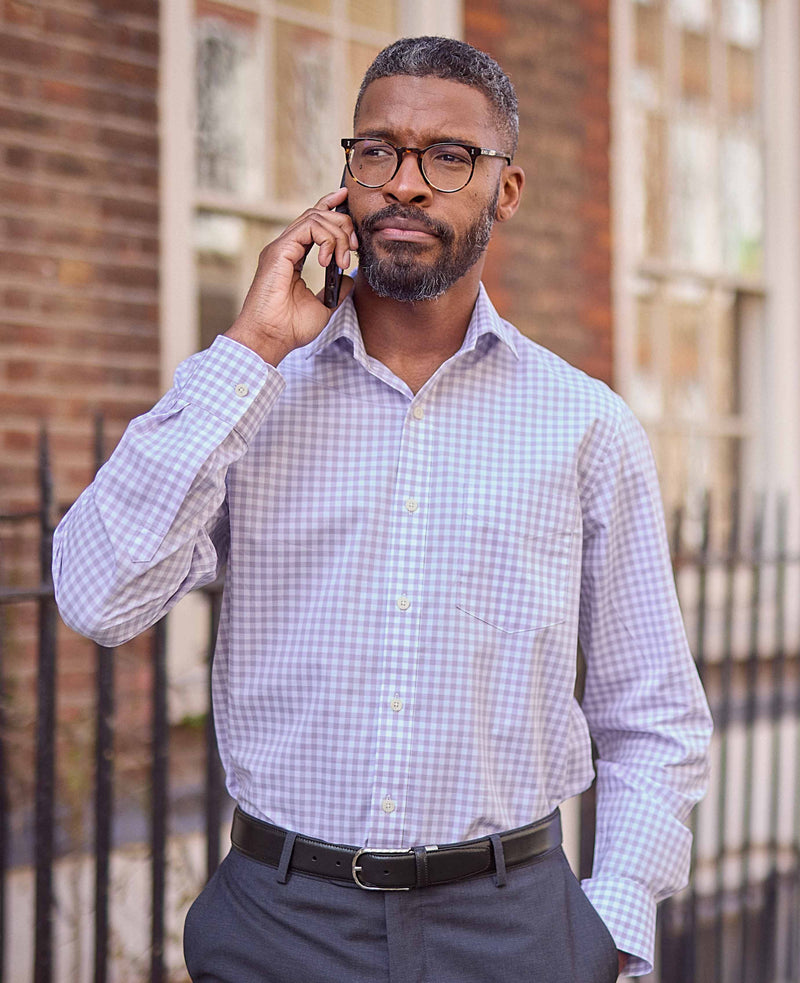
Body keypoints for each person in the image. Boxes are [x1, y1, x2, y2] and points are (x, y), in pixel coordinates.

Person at [53, 36, 711, 982]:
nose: (406, 183)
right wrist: (250, 347)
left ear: (506, 190)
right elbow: (94, 595)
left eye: (449, 157)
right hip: (281, 923)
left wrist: (611, 928)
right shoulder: (251, 397)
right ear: (344, 179)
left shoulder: (586, 425)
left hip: (514, 927)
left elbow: (653, 714)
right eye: (377, 151)